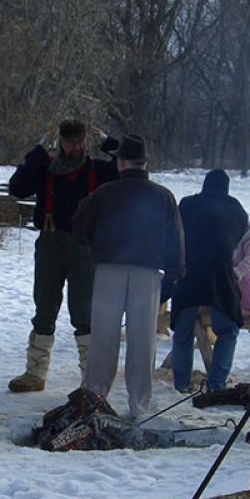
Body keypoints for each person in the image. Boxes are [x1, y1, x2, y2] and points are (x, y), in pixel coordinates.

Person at [73, 134, 184, 419]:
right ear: (145, 163)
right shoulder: (163, 195)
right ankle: (140, 406)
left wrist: (96, 245)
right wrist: (173, 273)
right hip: (147, 273)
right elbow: (175, 238)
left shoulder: (105, 192)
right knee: (143, 341)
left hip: (109, 270)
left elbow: (80, 227)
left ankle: (95, 399)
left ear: (120, 162)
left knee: (103, 339)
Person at [6, 119, 119, 392]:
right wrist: (37, 151)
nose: (74, 147)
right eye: (69, 142)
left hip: (85, 247)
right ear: (60, 142)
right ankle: (35, 373)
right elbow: (17, 187)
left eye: (79, 141)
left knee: (84, 312)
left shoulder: (99, 170)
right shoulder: (45, 168)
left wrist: (109, 142)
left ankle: (90, 379)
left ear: (86, 142)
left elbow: (132, 166)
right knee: (44, 307)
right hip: (50, 242)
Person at [169, 169, 248, 393]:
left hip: (189, 270)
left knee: (183, 332)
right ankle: (217, 383)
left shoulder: (187, 203)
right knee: (228, 329)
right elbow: (239, 233)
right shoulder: (236, 208)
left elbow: (176, 231)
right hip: (220, 274)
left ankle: (182, 383)